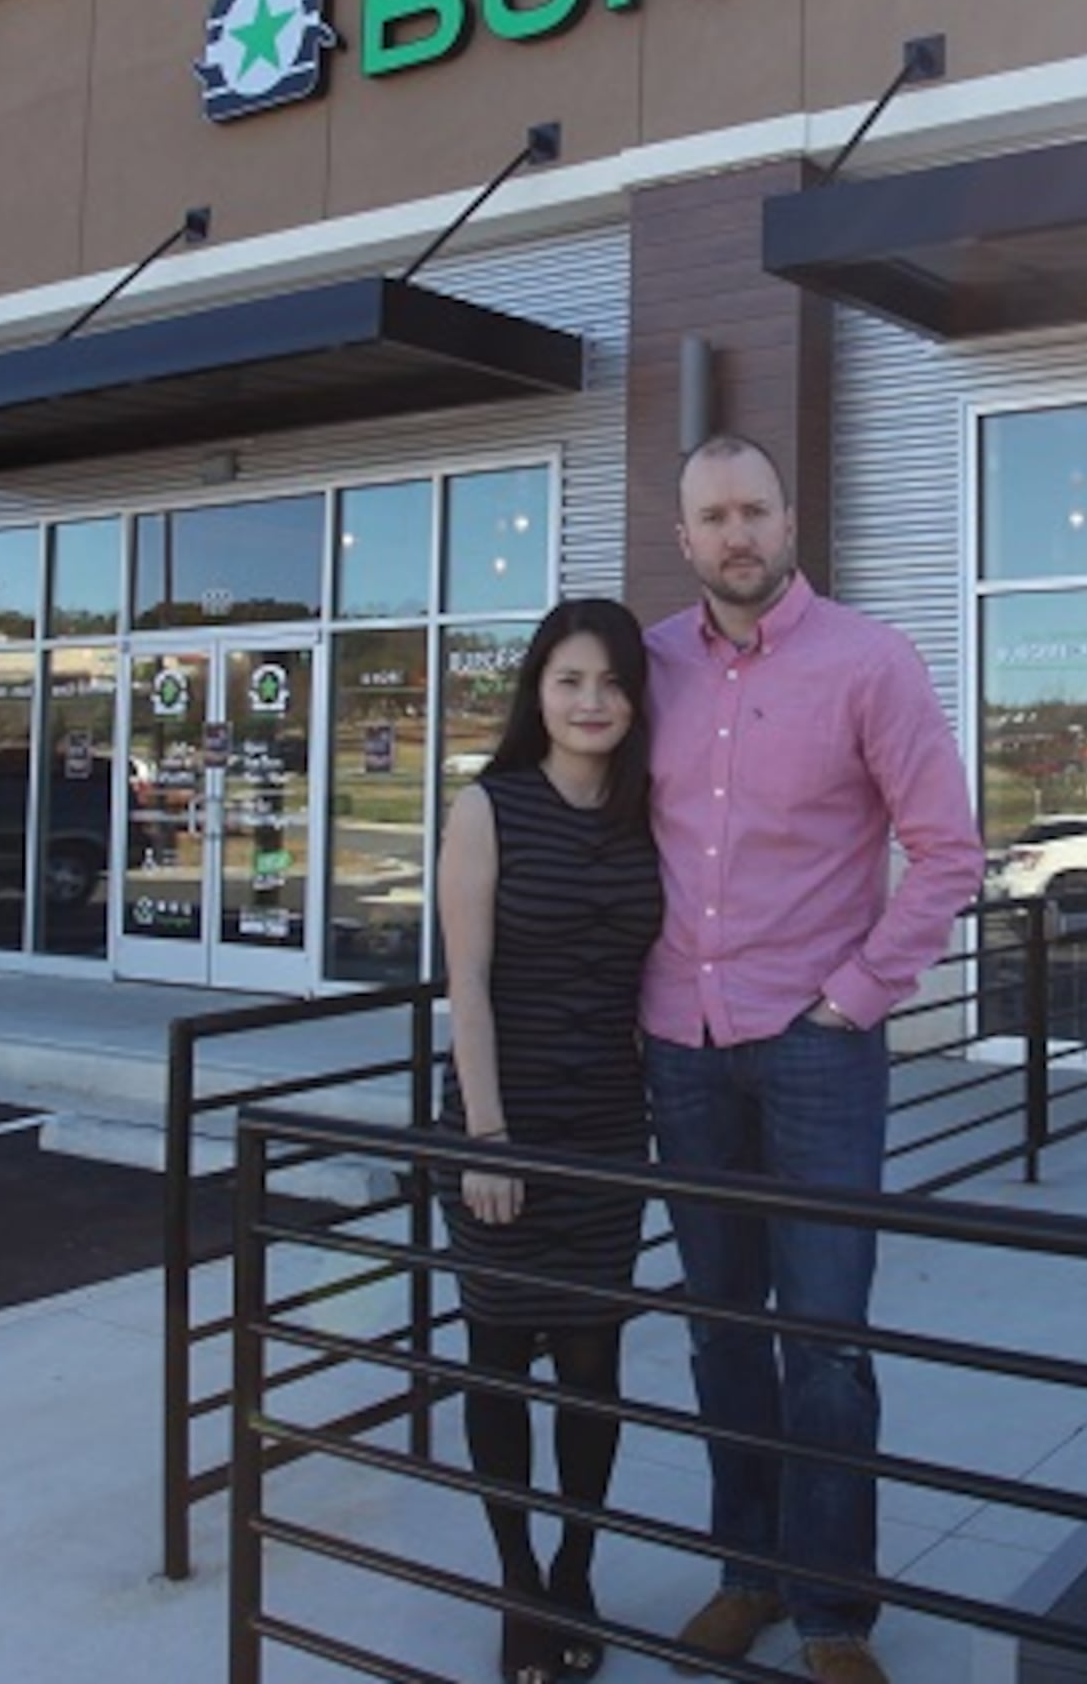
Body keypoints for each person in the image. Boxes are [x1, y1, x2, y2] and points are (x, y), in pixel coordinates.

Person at [643, 435, 981, 1684]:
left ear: (790, 521)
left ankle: (833, 1610)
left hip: (816, 1051)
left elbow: (948, 849)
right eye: (712, 516)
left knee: (827, 1336)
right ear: (683, 538)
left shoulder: (870, 662)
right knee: (722, 1328)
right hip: (680, 1044)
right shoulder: (651, 666)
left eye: (755, 510)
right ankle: (748, 1572)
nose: (737, 534)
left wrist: (855, 997)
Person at [437, 597, 664, 1684]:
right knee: (498, 1359)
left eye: (613, 684)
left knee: (591, 1364)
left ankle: (575, 1569)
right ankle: (518, 1588)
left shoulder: (648, 814)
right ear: (538, 690)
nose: (592, 702)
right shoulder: (488, 809)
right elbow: (465, 984)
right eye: (571, 681)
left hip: (609, 1131)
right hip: (504, 1120)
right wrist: (487, 1138)